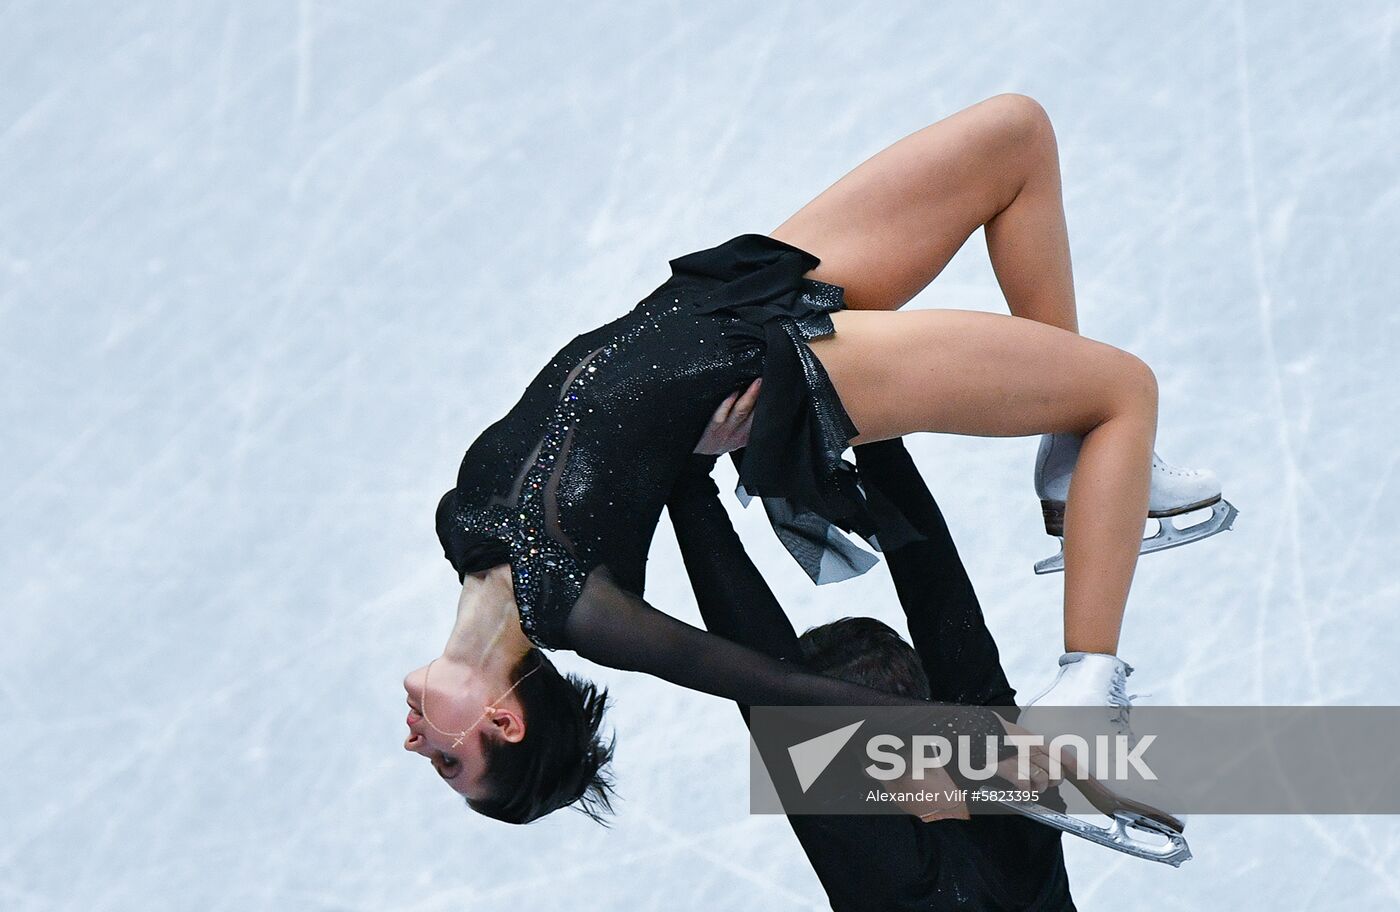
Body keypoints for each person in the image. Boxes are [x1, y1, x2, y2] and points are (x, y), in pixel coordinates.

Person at [406, 93, 1229, 821]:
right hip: (793, 370)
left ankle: (1073, 468)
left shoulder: (462, 532)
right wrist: (980, 743)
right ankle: (1090, 683)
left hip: (726, 296)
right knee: (1124, 392)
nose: (420, 748)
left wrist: (683, 451)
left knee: (1016, 136)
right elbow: (776, 687)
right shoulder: (579, 609)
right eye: (452, 760)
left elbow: (602, 442)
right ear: (503, 723)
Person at [667, 440, 1076, 910]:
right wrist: (878, 438)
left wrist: (688, 482)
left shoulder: (888, 871)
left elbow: (760, 672)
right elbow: (943, 606)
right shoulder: (1015, 798)